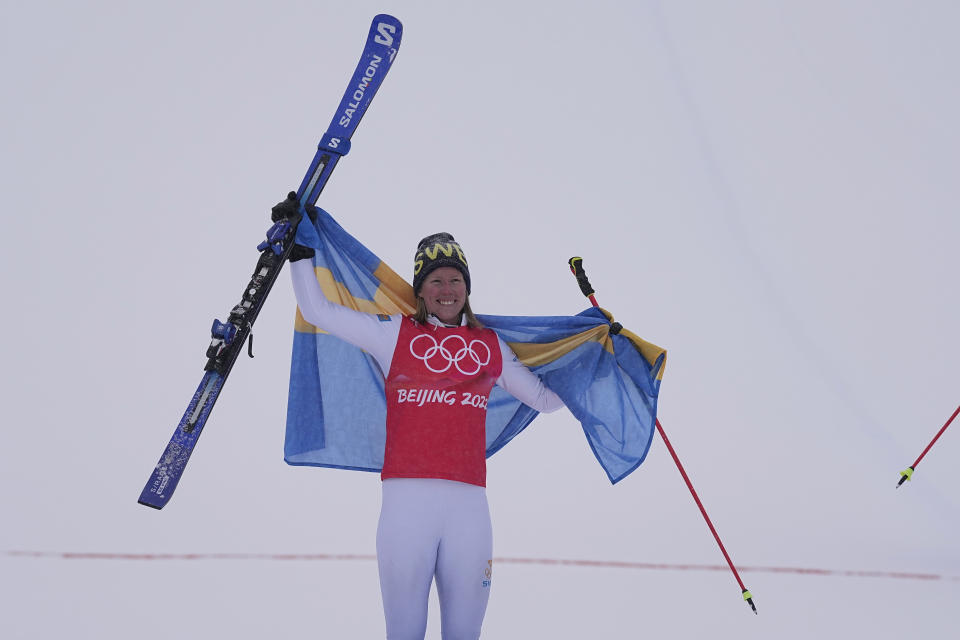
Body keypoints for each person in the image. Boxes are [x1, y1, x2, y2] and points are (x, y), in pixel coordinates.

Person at [289, 230, 566, 639]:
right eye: (435, 280)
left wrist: (596, 361)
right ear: (420, 289)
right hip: (406, 510)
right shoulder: (394, 334)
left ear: (467, 288)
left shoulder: (488, 345)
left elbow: (543, 398)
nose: (447, 289)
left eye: (455, 279)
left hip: (469, 511)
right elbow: (318, 311)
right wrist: (299, 253)